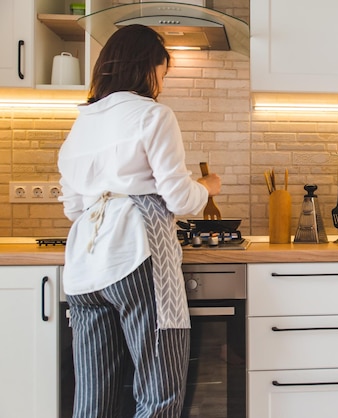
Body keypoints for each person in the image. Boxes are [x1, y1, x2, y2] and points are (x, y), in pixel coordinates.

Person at [57, 24, 220, 417]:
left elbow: (74, 209)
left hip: (84, 271)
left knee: (94, 400)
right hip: (135, 259)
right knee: (157, 394)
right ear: (147, 67)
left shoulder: (81, 123)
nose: (161, 84)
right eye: (163, 73)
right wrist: (207, 186)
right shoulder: (153, 115)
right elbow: (179, 198)